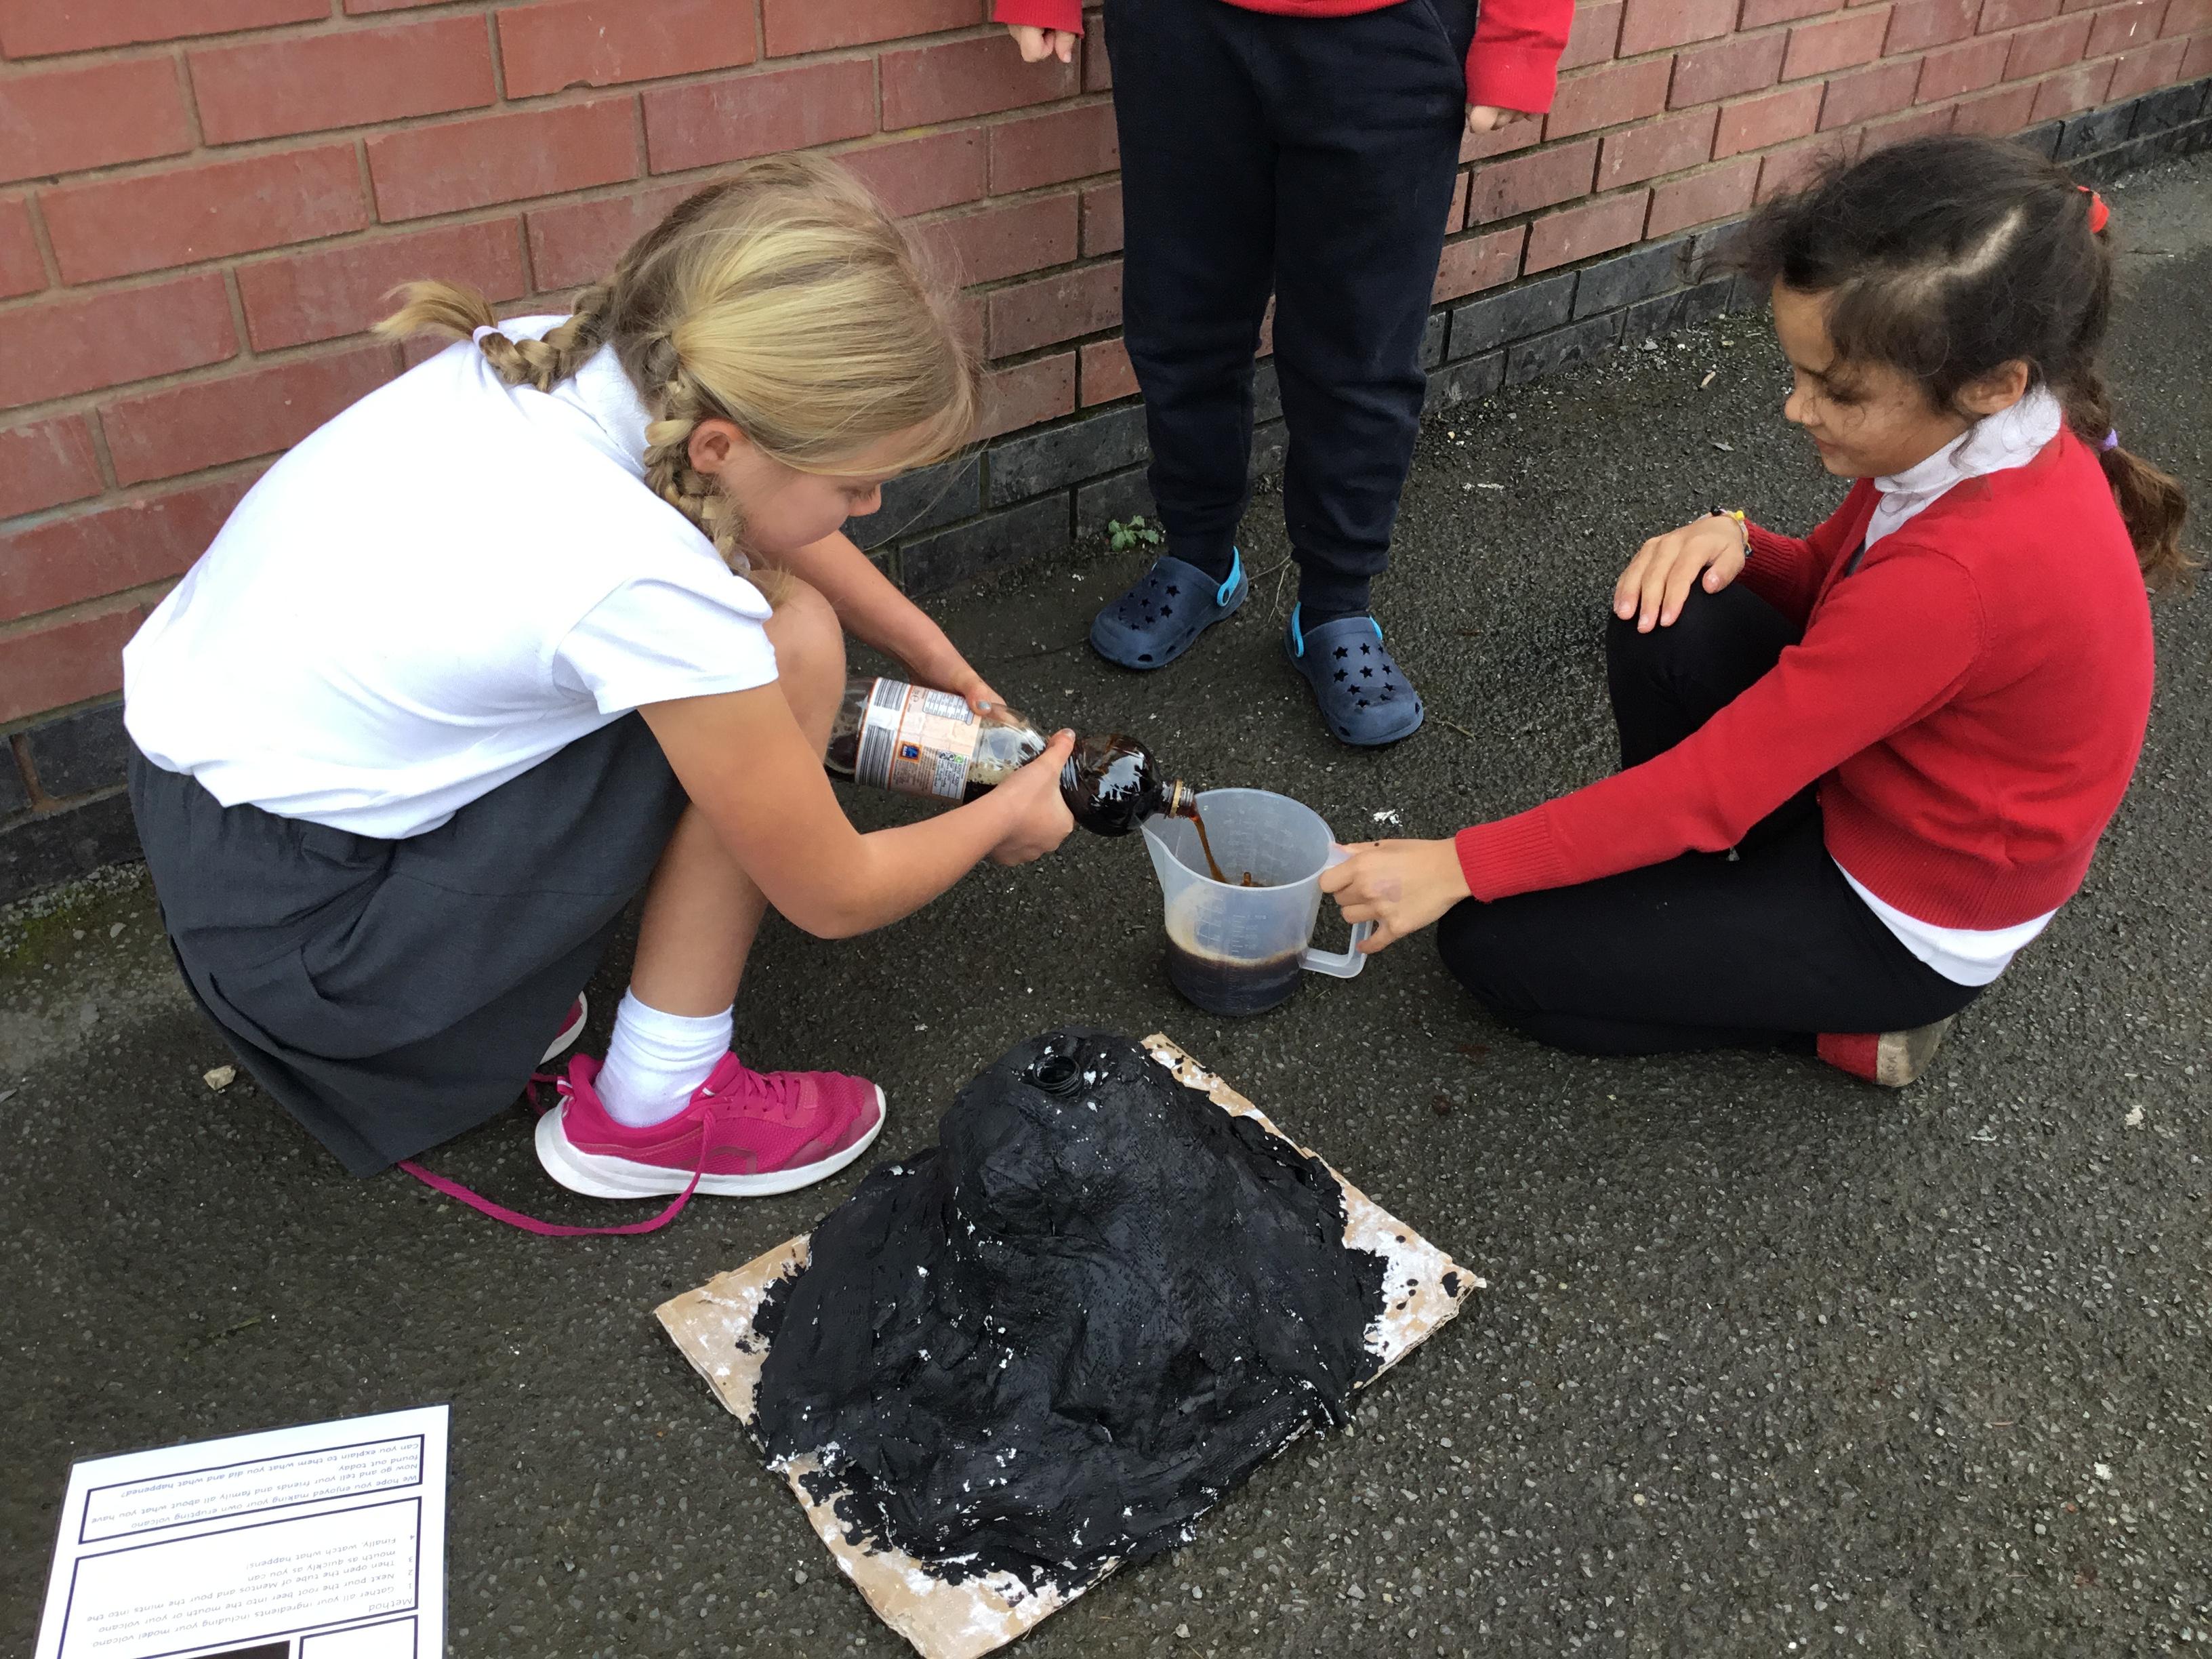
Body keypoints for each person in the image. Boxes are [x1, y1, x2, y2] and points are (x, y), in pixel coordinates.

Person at [123, 157, 1077, 1228]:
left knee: (761, 646)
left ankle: (488, 998)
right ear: (722, 444)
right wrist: (1007, 812)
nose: (872, 505)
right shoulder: (636, 576)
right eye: (855, 482)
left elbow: (754, 510)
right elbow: (835, 891)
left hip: (227, 845)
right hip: (316, 954)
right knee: (793, 647)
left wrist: (929, 649)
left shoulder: (598, 360)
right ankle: (657, 1106)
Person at [1319, 136, 2188, 1084]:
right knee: (1672, 609)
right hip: (1879, 781)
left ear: (1993, 383)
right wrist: (1741, 539)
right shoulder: (1975, 442)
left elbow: (1712, 788)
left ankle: (1836, 1024)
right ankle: (1692, 895)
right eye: (1800, 373)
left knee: (1491, 950)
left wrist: (1455, 864)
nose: (1796, 409)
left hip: (1905, 913)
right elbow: (1836, 586)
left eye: (1837, 390)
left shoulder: (1960, 573)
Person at [1000, 0, 1572, 745]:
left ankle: (1335, 606)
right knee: (1180, 319)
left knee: (1360, 350)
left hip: (1388, 36)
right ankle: (1200, 557)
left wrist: (1523, 37)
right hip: (1181, 28)